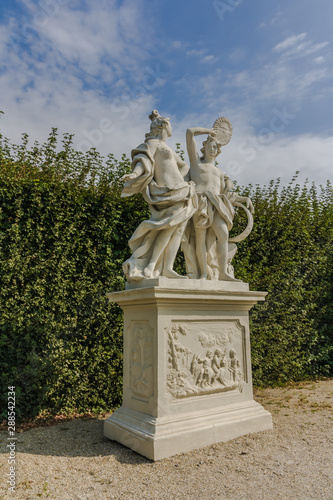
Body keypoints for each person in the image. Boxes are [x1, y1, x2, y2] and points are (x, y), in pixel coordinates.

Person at [121, 111, 197, 281]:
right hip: (167, 193)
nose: (171, 128)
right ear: (163, 127)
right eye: (169, 125)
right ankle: (151, 264)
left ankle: (167, 268)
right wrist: (134, 174)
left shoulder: (167, 147)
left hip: (180, 191)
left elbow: (184, 166)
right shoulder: (154, 143)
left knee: (176, 229)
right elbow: (144, 161)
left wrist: (181, 181)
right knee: (168, 226)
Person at [184, 125, 254, 281]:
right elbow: (189, 133)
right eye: (210, 146)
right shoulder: (196, 163)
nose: (213, 149)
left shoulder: (220, 173)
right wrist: (209, 131)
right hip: (201, 202)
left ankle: (223, 273)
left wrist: (243, 199)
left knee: (223, 234)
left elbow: (226, 195)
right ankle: (203, 273)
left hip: (218, 204)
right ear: (204, 148)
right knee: (200, 239)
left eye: (216, 147)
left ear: (218, 151)